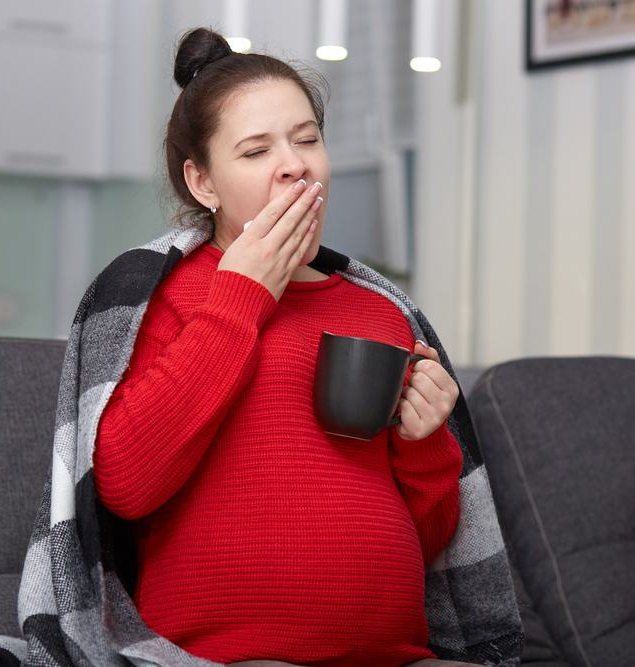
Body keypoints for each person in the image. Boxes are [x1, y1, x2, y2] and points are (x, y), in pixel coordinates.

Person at [91, 27, 471, 667]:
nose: (294, 163)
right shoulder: (167, 298)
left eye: (307, 140)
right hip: (229, 657)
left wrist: (425, 442)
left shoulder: (381, 313)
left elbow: (430, 538)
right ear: (203, 182)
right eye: (256, 150)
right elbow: (126, 485)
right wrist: (242, 293)